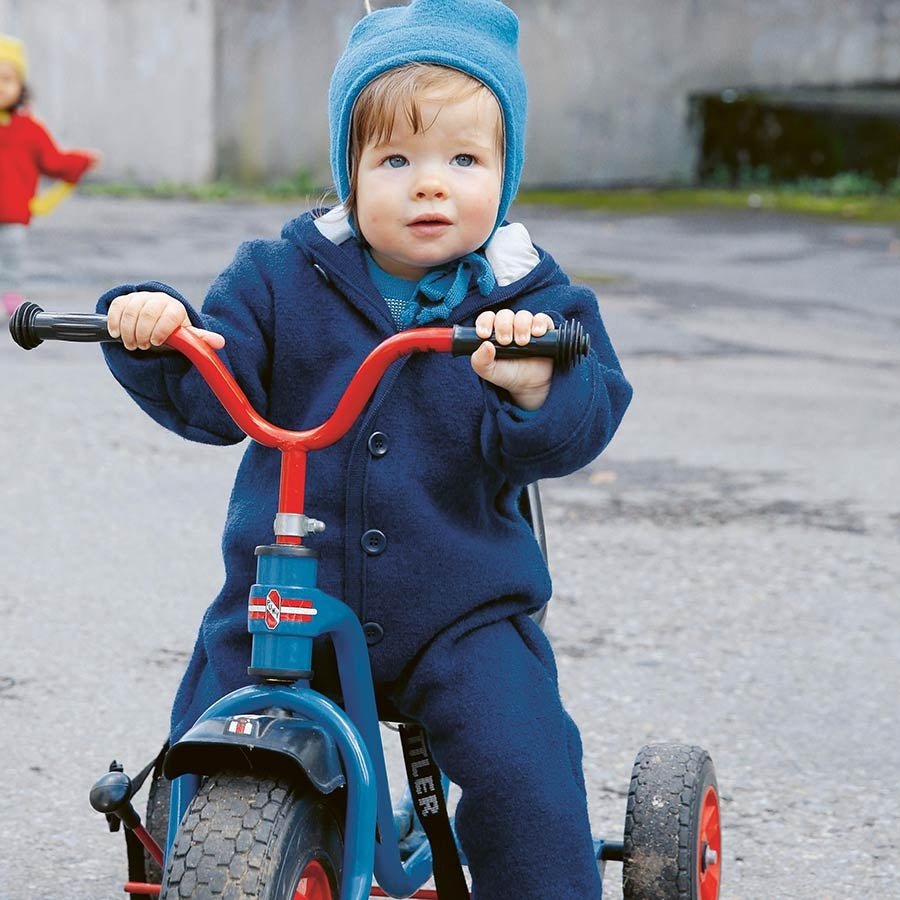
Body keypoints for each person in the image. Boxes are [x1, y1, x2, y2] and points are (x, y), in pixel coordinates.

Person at [98, 1, 632, 896]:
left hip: (459, 607)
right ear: (348, 172)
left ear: (506, 172)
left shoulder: (529, 301)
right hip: (281, 605)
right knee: (204, 737)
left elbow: (589, 409)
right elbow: (212, 389)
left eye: (464, 161)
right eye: (395, 161)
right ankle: (202, 862)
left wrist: (535, 382)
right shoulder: (279, 277)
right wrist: (159, 330)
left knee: (524, 765)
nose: (430, 187)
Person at [0, 33, 99, 315]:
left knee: (10, 260)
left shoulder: (30, 130)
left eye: (7, 79)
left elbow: (54, 161)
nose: (0, 86)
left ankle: (10, 302)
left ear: (21, 86)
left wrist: (81, 161)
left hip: (13, 215)